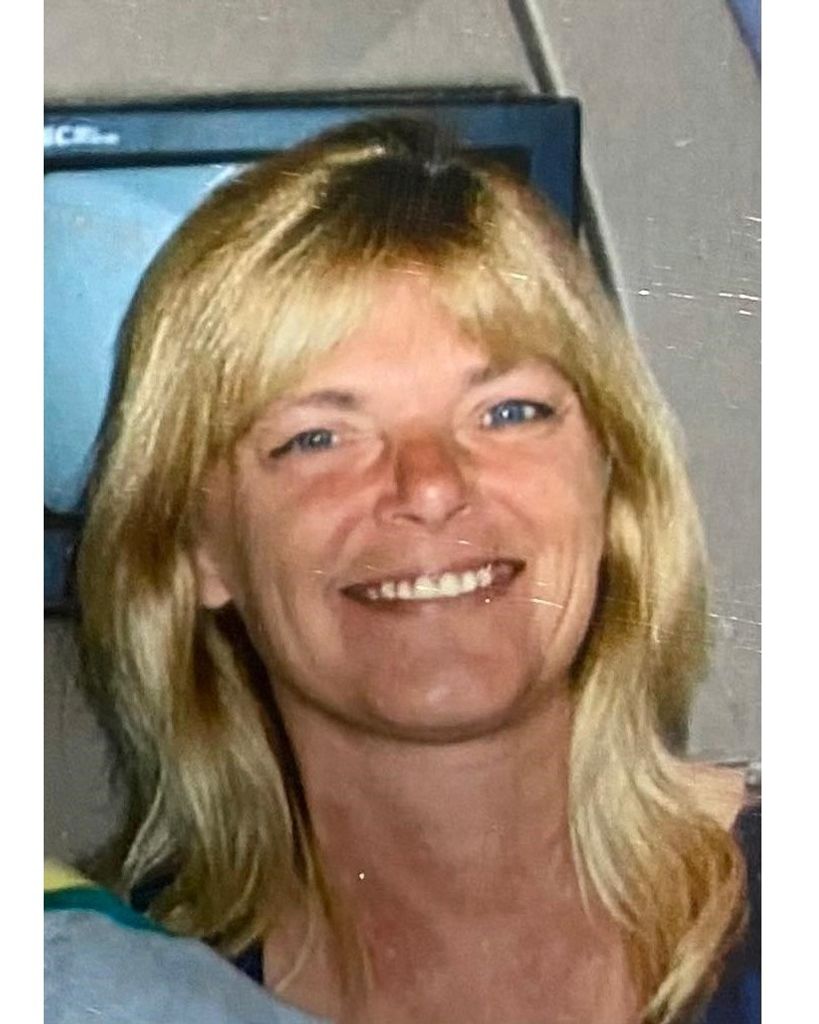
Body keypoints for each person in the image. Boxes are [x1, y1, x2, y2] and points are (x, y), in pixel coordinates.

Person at [70, 117, 759, 1024]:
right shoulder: (98, 989)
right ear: (197, 549)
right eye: (318, 437)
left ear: (612, 487)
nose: (429, 486)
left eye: (507, 412)